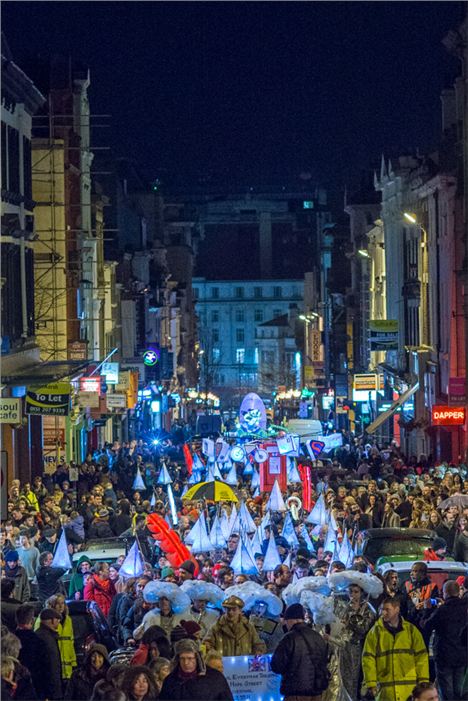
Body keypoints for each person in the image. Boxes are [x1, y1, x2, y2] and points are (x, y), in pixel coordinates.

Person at [362, 597, 429, 701]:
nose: (383, 612)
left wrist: (423, 682)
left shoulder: (411, 631)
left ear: (397, 609)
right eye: (382, 609)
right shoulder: (375, 633)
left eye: (387, 609)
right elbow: (368, 658)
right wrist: (371, 683)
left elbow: (421, 657)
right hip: (386, 692)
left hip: (408, 691)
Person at [270, 603, 329, 701]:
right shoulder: (318, 637)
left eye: (286, 621)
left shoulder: (289, 638)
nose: (286, 625)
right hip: (317, 693)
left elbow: (277, 666)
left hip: (295, 693)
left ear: (291, 620)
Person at [421, 580, 467, 701]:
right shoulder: (465, 608)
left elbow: (426, 626)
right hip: (462, 655)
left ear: (445, 593)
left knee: (446, 691)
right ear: (458, 592)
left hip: (444, 655)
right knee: (459, 690)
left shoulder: (442, 611)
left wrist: (426, 610)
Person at [158, 638, 234, 700]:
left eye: (190, 658)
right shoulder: (170, 681)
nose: (186, 662)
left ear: (197, 658)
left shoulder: (215, 678)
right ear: (178, 659)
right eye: (182, 658)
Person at [42, 594, 77, 683]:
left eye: (63, 603)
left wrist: (73, 662)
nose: (61, 606)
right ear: (52, 605)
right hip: (54, 665)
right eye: (58, 604)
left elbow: (71, 641)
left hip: (67, 667)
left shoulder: (68, 620)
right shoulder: (47, 620)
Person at [34, 608, 64, 700]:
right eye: (57, 619)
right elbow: (51, 665)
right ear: (52, 620)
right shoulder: (46, 638)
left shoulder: (44, 635)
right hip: (50, 690)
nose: (58, 622)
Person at [15, 603, 44, 695]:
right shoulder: (38, 641)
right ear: (32, 620)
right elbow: (43, 667)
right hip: (34, 686)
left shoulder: (10, 639)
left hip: (15, 686)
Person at [403, 562, 439, 630]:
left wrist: (427, 603)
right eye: (412, 571)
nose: (411, 573)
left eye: (415, 571)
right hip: (410, 622)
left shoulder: (432, 586)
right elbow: (404, 604)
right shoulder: (407, 585)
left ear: (423, 573)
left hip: (425, 623)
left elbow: (435, 602)